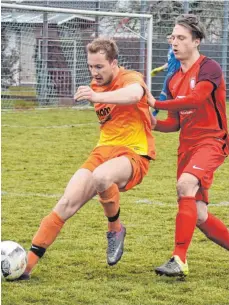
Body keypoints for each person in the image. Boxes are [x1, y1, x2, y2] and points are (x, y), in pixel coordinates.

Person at [19, 38, 155, 280]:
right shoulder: (95, 84)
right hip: (102, 151)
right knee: (65, 204)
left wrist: (95, 95)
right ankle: (25, 268)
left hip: (133, 152)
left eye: (100, 66)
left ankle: (115, 229)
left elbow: (134, 95)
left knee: (102, 176)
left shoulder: (131, 78)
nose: (94, 72)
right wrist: (95, 92)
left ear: (114, 63)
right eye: (91, 66)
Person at [147, 14, 229, 277]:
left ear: (196, 41)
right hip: (187, 148)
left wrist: (155, 104)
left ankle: (178, 260)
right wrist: (153, 124)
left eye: (181, 38)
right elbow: (175, 122)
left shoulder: (209, 68)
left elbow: (195, 100)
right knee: (200, 215)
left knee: (185, 185)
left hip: (212, 141)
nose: (174, 42)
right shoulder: (172, 79)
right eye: (173, 37)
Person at [151, 33, 180, 116]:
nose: (169, 39)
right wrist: (159, 69)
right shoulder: (170, 49)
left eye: (170, 38)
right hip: (170, 72)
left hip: (174, 73)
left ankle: (156, 111)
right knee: (169, 92)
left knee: (165, 91)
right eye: (167, 38)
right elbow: (169, 62)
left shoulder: (176, 48)